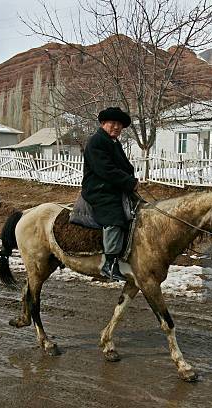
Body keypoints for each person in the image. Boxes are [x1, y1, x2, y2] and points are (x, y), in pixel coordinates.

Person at [81, 107, 138, 281]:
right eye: (113, 123)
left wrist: (131, 178)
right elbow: (105, 169)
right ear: (103, 123)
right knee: (114, 216)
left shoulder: (113, 142)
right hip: (99, 188)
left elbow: (125, 166)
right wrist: (128, 182)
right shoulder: (97, 141)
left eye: (119, 125)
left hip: (113, 186)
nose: (116, 127)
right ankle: (109, 264)